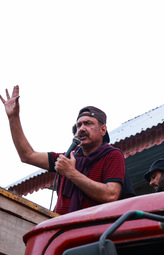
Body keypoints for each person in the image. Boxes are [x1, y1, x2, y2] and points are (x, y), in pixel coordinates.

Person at [1, 85, 131, 214]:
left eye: (88, 123)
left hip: (94, 230)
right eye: (79, 125)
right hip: (62, 228)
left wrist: (71, 173)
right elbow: (27, 155)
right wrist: (13, 118)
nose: (82, 129)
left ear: (103, 129)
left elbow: (111, 195)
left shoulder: (112, 155)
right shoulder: (67, 158)